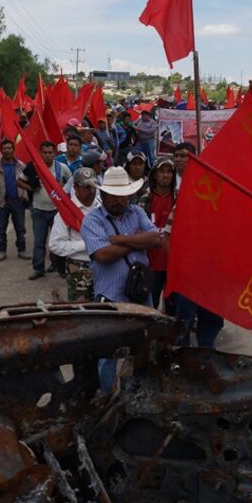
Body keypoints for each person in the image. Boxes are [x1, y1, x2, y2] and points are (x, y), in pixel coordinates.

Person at [82, 167, 167, 390]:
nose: (120, 200)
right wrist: (137, 241)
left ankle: (141, 388)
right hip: (110, 296)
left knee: (145, 344)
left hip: (140, 292)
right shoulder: (92, 220)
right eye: (114, 196)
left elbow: (156, 239)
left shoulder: (137, 213)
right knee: (108, 352)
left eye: (124, 195)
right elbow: (102, 255)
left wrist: (119, 240)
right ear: (104, 195)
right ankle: (108, 395)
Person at [21, 140, 72, 280]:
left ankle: (61, 268)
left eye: (50, 153)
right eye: (45, 153)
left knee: (59, 241)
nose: (48, 155)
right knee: (39, 241)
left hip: (57, 211)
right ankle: (38, 269)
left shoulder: (62, 168)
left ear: (54, 153)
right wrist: (31, 188)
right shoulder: (34, 167)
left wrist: (64, 187)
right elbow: (19, 180)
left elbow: (72, 183)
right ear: (40, 153)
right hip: (38, 209)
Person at [50, 169, 101, 301]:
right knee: (80, 310)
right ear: (75, 187)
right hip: (78, 267)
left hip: (102, 265)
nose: (91, 191)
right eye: (86, 187)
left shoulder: (101, 208)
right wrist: (86, 244)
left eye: (93, 186)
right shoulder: (66, 212)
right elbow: (55, 245)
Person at [139, 157, 176, 308]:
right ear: (155, 174)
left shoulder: (180, 199)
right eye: (162, 171)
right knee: (150, 306)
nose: (165, 175)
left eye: (169, 172)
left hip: (173, 264)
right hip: (151, 263)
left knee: (174, 308)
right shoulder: (144, 198)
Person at [0, 138, 27, 262]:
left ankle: (21, 250)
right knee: (1, 229)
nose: (7, 150)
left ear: (13, 150)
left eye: (10, 148)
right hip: (2, 202)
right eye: (5, 148)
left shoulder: (20, 165)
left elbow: (28, 182)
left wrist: (25, 197)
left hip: (18, 201)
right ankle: (1, 251)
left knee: (20, 227)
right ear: (1, 151)